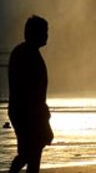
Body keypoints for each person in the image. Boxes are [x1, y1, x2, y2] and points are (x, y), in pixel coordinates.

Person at [8, 15, 53, 173]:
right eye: (44, 31)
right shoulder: (25, 53)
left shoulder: (27, 52)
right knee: (30, 152)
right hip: (27, 112)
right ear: (35, 33)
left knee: (33, 151)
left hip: (31, 111)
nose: (47, 35)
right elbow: (26, 89)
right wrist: (39, 113)